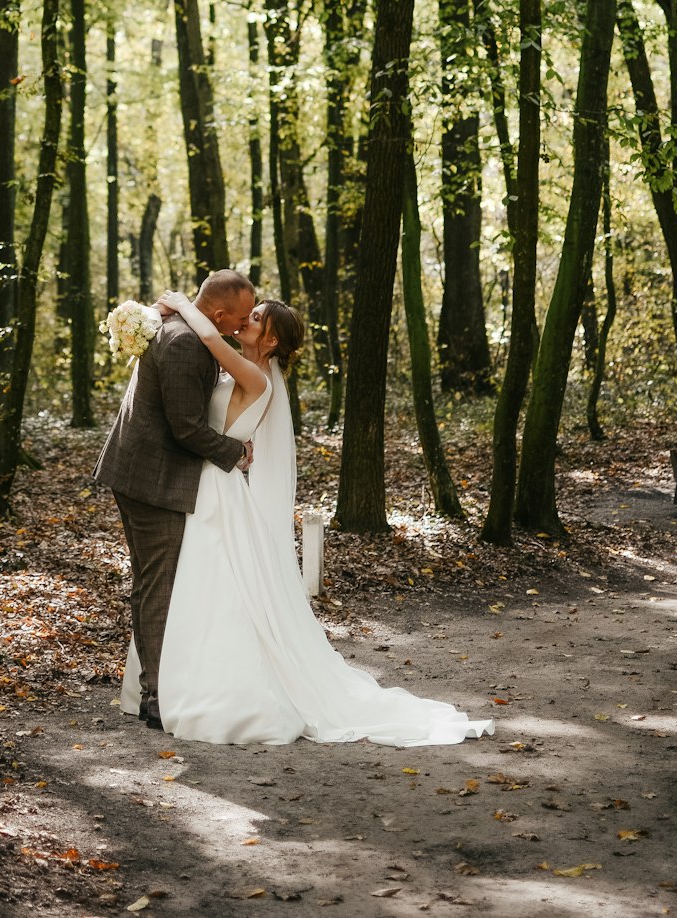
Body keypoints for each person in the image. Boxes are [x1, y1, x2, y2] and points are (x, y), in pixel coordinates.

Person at [119, 291, 495, 748]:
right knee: (191, 587)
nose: (245, 322)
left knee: (202, 585)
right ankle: (170, 683)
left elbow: (207, 336)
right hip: (208, 481)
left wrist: (180, 303)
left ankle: (192, 688)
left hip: (214, 488)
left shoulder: (256, 376)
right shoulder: (242, 364)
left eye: (254, 318)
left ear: (272, 339)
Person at [93, 269, 257, 731]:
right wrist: (235, 454)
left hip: (141, 471)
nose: (244, 325)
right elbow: (185, 428)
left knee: (155, 582)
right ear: (219, 313)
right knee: (157, 585)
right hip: (152, 479)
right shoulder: (186, 343)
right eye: (240, 317)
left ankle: (159, 686)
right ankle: (156, 696)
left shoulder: (184, 329)